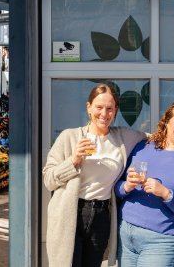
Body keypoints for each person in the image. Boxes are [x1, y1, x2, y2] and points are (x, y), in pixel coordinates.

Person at [42, 84, 146, 267]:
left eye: (109, 108)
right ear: (89, 107)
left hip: (101, 215)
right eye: (99, 107)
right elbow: (49, 180)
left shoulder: (122, 137)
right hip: (71, 212)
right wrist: (73, 161)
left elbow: (157, 137)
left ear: (115, 111)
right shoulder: (70, 137)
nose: (104, 114)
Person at [115, 101, 174, 267]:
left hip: (160, 241)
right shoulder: (141, 147)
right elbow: (116, 188)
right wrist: (126, 186)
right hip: (125, 234)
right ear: (166, 122)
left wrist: (166, 194)